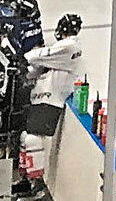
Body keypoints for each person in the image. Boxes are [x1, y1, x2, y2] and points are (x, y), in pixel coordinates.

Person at [13, 14, 83, 198]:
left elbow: (40, 55)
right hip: (42, 98)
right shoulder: (62, 51)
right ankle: (27, 180)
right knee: (25, 137)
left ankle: (38, 185)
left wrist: (23, 57)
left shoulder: (70, 46)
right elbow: (37, 67)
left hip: (52, 100)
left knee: (32, 139)